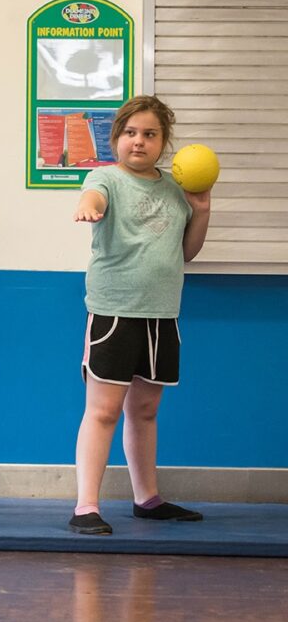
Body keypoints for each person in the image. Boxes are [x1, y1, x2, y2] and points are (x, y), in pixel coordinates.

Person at [70, 95, 212, 535]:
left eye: (150, 134)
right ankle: (85, 507)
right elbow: (93, 195)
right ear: (117, 138)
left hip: (162, 314)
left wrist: (201, 207)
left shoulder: (175, 189)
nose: (139, 142)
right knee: (104, 411)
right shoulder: (105, 178)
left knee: (146, 410)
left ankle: (146, 499)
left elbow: (186, 251)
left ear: (163, 142)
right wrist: (90, 205)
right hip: (115, 311)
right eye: (130, 133)